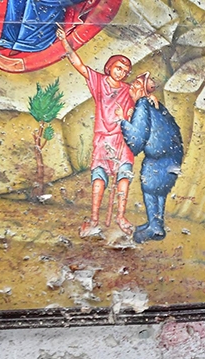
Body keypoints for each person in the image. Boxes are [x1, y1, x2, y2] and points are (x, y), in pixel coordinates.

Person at [56, 25, 134, 237]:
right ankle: (94, 219)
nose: (122, 72)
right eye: (118, 68)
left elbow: (140, 105)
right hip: (103, 139)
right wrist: (65, 43)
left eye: (125, 71)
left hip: (122, 140)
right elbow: (79, 65)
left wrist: (127, 115)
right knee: (99, 177)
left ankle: (120, 217)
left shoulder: (128, 90)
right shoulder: (98, 81)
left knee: (124, 176)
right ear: (110, 67)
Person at [119, 73, 183, 244]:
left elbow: (137, 138)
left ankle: (154, 227)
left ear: (142, 90)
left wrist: (123, 121)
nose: (132, 86)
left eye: (136, 84)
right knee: (159, 191)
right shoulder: (154, 105)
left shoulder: (142, 105)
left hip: (158, 158)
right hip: (173, 156)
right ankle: (157, 225)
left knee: (150, 190)